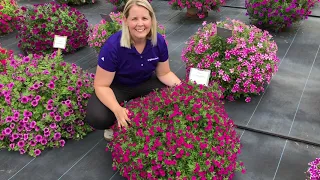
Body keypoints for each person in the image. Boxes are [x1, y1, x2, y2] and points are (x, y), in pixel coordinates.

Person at [84, 0, 181, 140]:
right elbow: (101, 85)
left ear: (151, 20)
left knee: (174, 93)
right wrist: (117, 109)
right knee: (98, 117)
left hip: (145, 82)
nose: (140, 24)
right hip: (118, 86)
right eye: (134, 19)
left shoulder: (158, 41)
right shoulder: (113, 46)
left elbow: (164, 73)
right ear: (125, 20)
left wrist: (184, 88)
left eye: (144, 18)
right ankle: (113, 124)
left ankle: (153, 121)